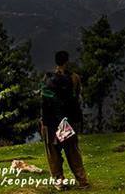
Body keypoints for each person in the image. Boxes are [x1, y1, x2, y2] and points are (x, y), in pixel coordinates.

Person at [41, 51, 89, 190]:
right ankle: (82, 181)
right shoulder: (74, 78)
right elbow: (77, 97)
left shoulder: (47, 78)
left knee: (54, 153)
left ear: (56, 62)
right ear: (67, 61)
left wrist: (43, 122)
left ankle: (59, 181)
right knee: (72, 151)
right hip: (66, 122)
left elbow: (43, 101)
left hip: (50, 122)